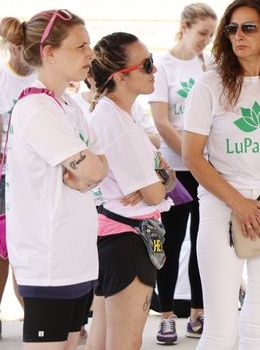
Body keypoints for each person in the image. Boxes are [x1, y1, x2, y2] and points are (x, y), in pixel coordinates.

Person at [182, 0, 260, 348]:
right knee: (221, 326)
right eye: (231, 29)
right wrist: (238, 203)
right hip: (222, 206)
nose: (238, 35)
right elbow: (192, 157)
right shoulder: (209, 85)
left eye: (249, 27)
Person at [1, 10, 108, 348]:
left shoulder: (68, 105)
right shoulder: (36, 108)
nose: (90, 54)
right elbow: (92, 168)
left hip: (76, 257)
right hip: (48, 260)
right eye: (80, 46)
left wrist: (87, 172)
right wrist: (88, 171)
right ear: (49, 53)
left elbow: (102, 165)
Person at [85, 32, 177, 350]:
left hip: (121, 236)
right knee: (125, 343)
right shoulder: (116, 123)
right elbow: (156, 192)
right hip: (128, 239)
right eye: (147, 65)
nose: (155, 71)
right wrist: (160, 177)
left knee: (104, 340)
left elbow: (163, 181)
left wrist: (158, 178)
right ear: (120, 77)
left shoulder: (120, 116)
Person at [148, 2, 216, 344]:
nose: (207, 40)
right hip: (175, 168)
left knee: (204, 241)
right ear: (185, 26)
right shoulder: (163, 67)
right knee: (170, 244)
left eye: (211, 35)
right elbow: (162, 121)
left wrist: (203, 159)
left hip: (204, 168)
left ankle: (198, 313)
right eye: (202, 32)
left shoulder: (210, 65)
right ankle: (166, 315)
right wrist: (191, 155)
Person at [0, 31, 36, 333]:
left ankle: (35, 317)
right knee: (2, 251)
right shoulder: (2, 79)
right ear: (12, 48)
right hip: (4, 175)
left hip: (32, 175)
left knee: (27, 248)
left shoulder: (39, 79)